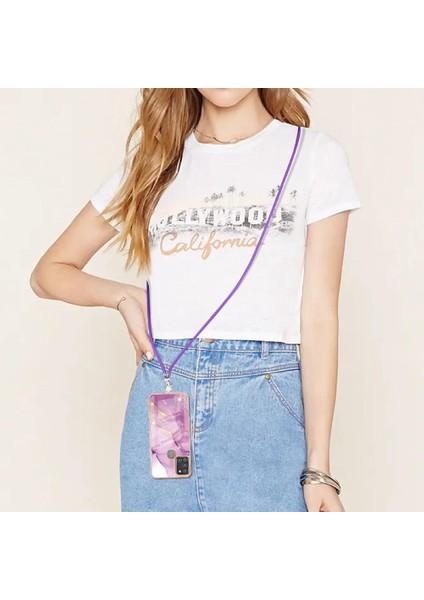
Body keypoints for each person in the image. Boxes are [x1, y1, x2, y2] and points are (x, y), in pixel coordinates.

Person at [30, 88, 362, 512]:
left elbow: (318, 316)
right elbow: (47, 274)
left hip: (262, 403)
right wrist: (122, 296)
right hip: (166, 384)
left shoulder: (313, 155)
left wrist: (318, 469)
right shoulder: (155, 164)